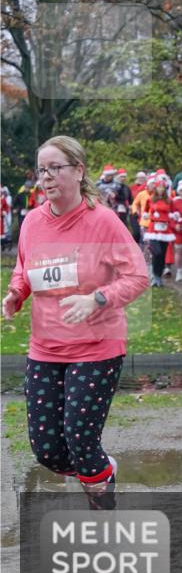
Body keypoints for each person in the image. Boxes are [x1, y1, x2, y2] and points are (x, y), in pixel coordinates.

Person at [2, 136, 148, 510]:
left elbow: (137, 277)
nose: (46, 177)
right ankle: (99, 468)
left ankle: (102, 509)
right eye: (42, 170)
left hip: (97, 346)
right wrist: (17, 292)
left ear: (79, 171)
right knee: (47, 450)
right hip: (46, 347)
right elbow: (24, 267)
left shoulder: (103, 221)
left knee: (81, 439)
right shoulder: (33, 222)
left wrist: (97, 298)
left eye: (55, 168)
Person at [144, 178, 176, 287]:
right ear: (155, 188)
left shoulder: (169, 200)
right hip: (154, 228)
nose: (161, 189)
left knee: (162, 254)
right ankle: (154, 273)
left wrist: (173, 217)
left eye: (163, 188)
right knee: (156, 252)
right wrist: (146, 215)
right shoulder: (150, 199)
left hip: (165, 229)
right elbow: (145, 210)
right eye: (159, 187)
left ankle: (158, 276)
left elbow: (173, 212)